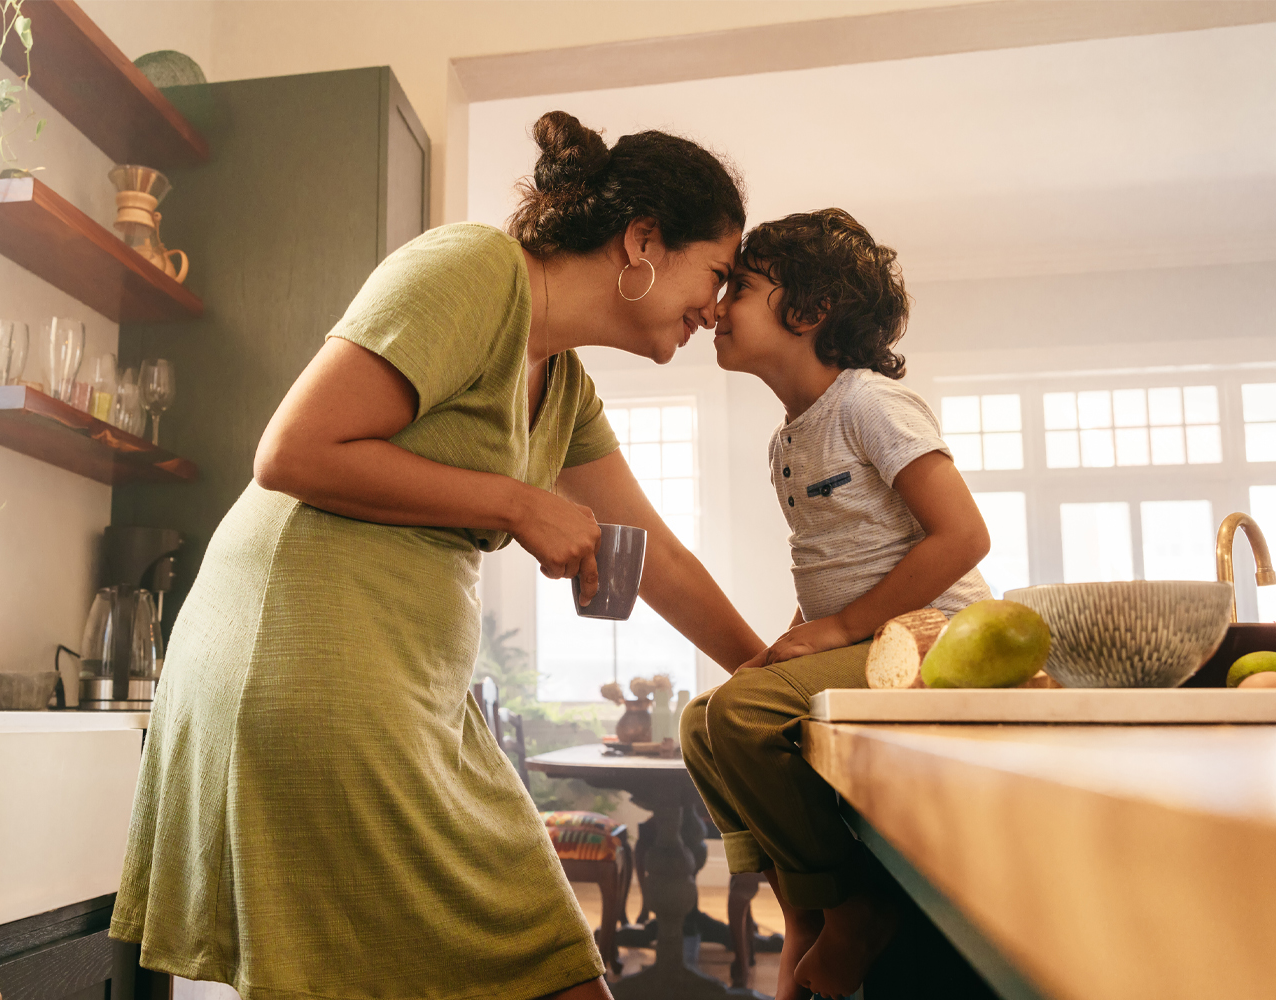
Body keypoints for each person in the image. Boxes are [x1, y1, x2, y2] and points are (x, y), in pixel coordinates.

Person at [111, 111, 768, 1000]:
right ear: (644, 239)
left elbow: (654, 555)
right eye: (717, 273)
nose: (719, 308)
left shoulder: (564, 380)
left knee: (548, 962)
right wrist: (517, 503)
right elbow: (293, 453)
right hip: (307, 660)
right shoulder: (471, 270)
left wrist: (765, 674)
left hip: (411, 690)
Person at [680, 208, 993, 1000]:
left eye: (740, 289)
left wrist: (843, 628)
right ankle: (804, 908)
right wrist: (792, 640)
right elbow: (830, 570)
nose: (716, 306)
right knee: (703, 719)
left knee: (743, 715)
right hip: (865, 636)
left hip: (932, 637)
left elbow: (962, 537)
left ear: (810, 312)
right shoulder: (788, 441)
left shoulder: (870, 403)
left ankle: (857, 908)